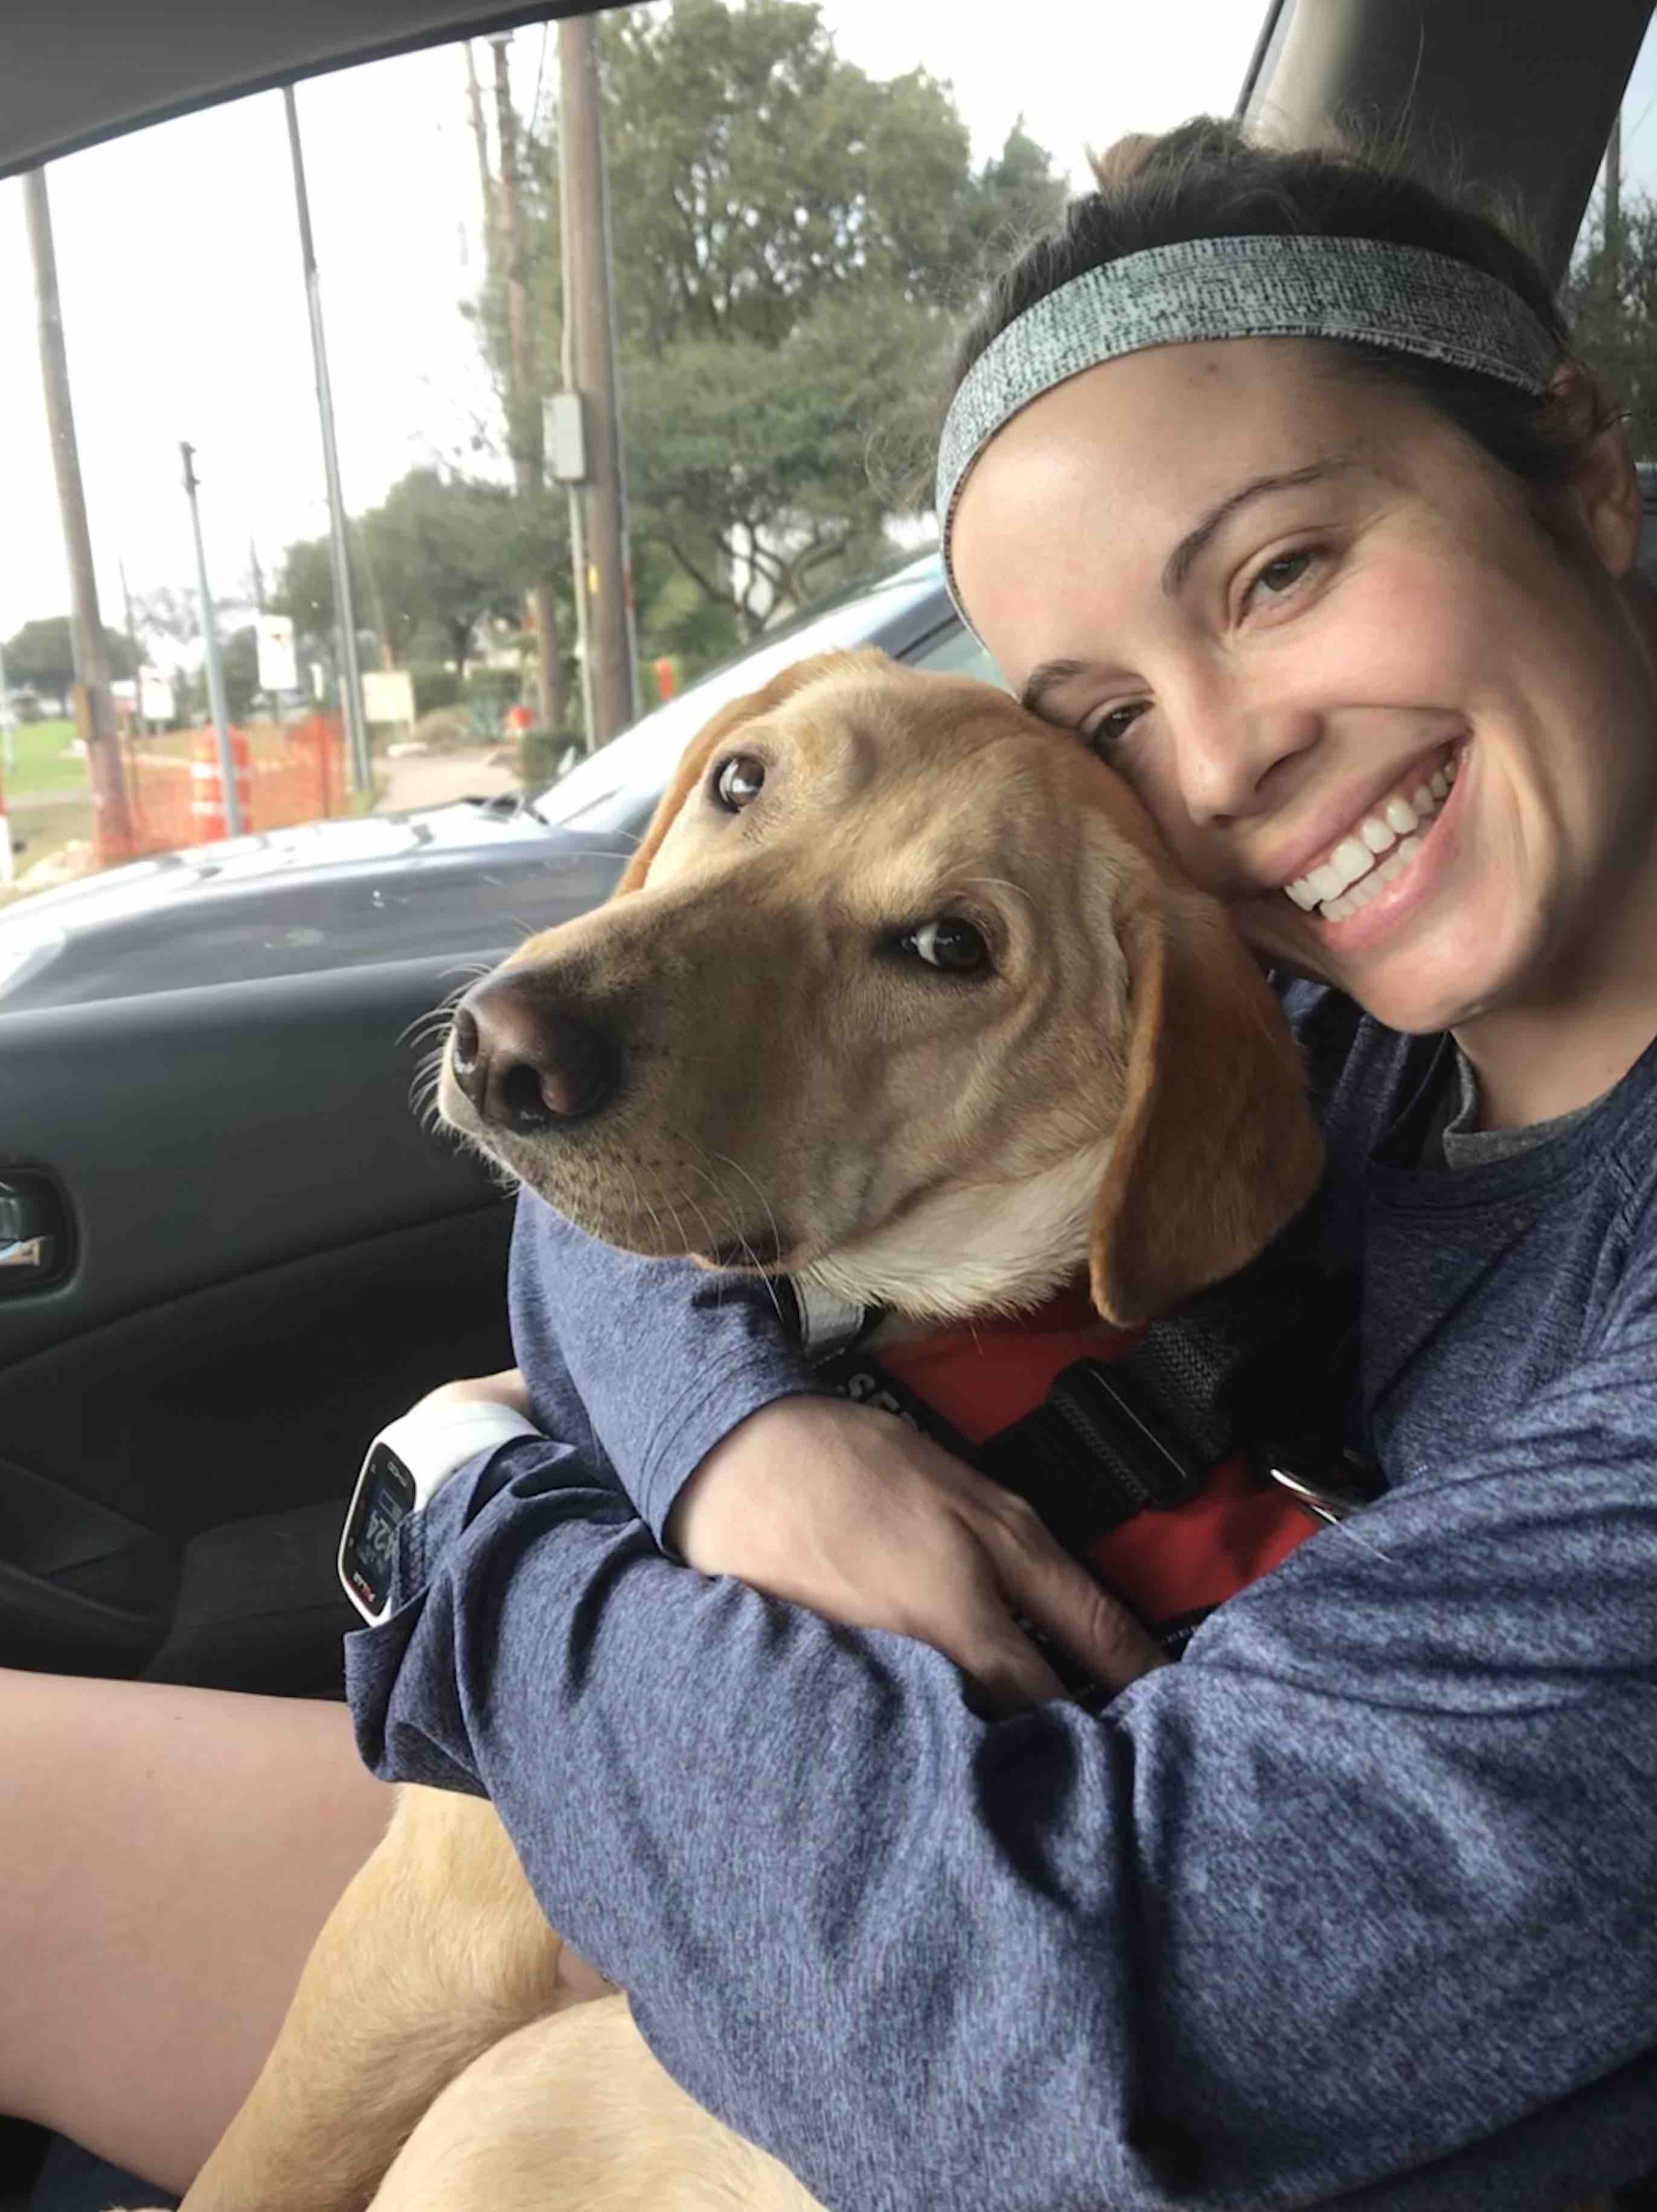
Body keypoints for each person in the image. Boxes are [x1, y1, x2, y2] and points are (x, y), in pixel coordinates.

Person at [10, 117, 1657, 2207]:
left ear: (1583, 472)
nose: (1227, 766)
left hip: (1007, 2022)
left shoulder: (1238, 1019)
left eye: (1282, 572)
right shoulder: (1329, 1013)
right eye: (1108, 719)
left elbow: (1052, 2029)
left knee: (518, 2136)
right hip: (815, 1843)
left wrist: (470, 1520)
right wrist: (744, 1453)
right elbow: (622, 1199)